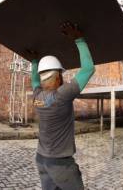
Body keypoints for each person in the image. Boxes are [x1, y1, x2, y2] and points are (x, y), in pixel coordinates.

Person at [29, 22, 95, 190]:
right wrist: (79, 39)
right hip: (60, 165)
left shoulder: (37, 96)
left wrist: (35, 61)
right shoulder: (62, 95)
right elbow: (88, 69)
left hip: (41, 159)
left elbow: (35, 81)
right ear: (58, 75)